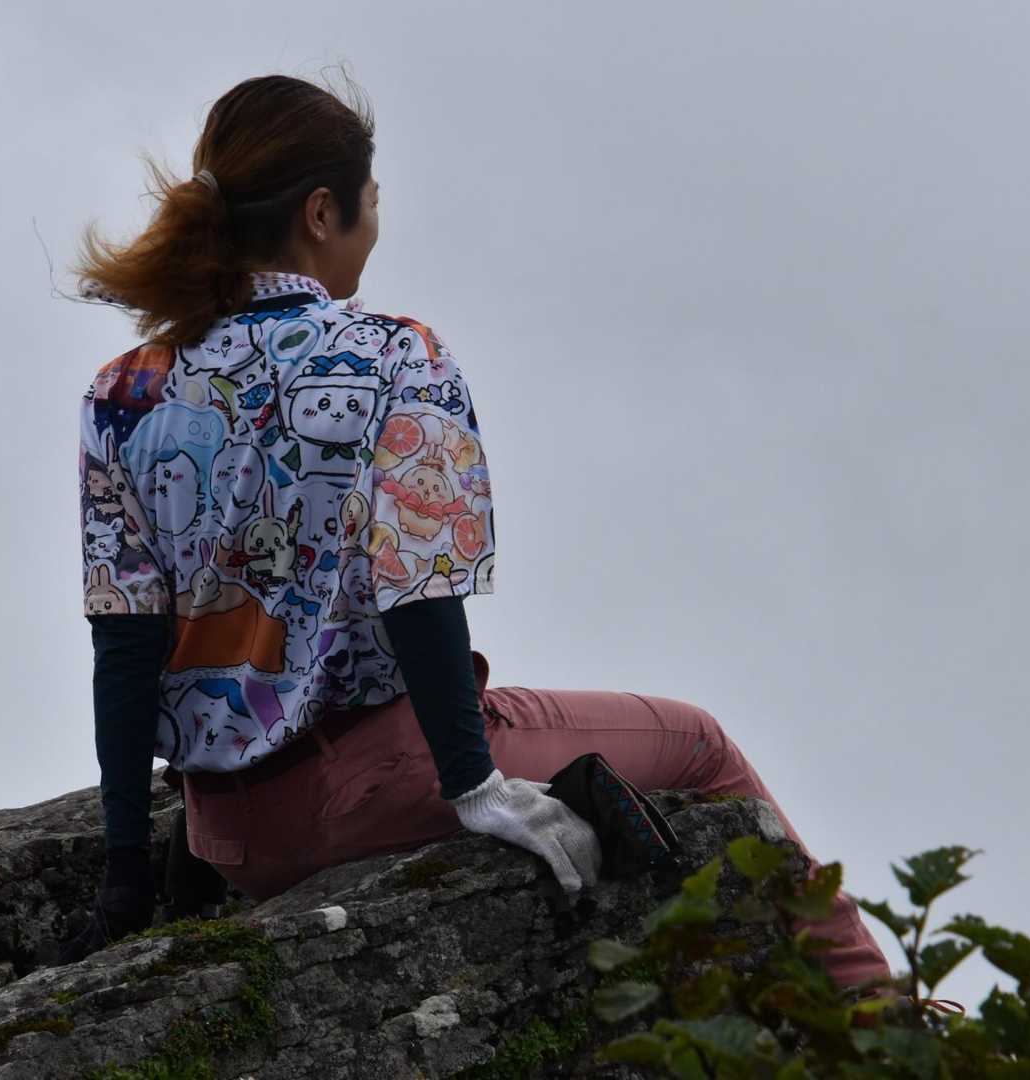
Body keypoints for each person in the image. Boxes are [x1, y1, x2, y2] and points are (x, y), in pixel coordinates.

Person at [59, 70, 897, 1000]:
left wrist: (126, 876)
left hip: (233, 837)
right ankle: (885, 1017)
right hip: (375, 790)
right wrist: (475, 786)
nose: (377, 226)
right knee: (700, 744)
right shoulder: (391, 355)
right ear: (323, 212)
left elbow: (124, 645)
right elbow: (416, 587)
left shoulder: (123, 390)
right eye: (373, 201)